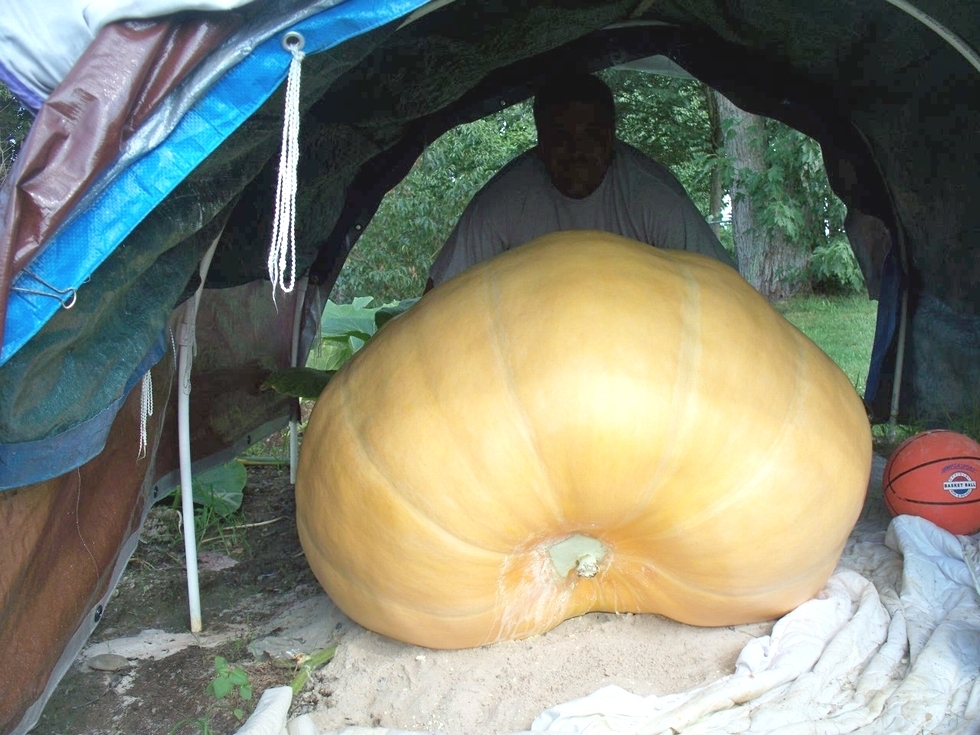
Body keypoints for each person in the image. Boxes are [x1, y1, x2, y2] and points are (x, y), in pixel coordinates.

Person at [426, 73, 735, 290]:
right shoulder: (504, 200)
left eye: (590, 135)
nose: (576, 150)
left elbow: (723, 286)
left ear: (611, 137)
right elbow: (439, 293)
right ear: (541, 141)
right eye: (560, 136)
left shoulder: (652, 196)